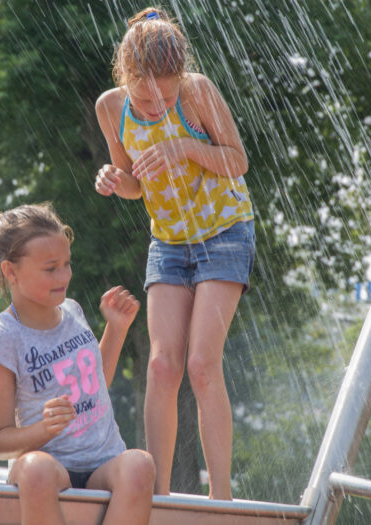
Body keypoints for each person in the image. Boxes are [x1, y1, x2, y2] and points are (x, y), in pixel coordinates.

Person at [93, 6, 256, 500]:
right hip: (168, 241)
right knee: (162, 366)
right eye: (145, 98)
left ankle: (220, 498)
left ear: (180, 76)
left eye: (166, 95)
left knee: (202, 365)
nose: (157, 106)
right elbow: (135, 186)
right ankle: (156, 494)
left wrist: (183, 146)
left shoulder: (197, 91)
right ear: (126, 78)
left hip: (225, 232)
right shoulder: (110, 107)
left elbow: (238, 161)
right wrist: (113, 180)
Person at [0, 203, 155, 525]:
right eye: (50, 268)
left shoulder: (72, 310)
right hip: (48, 469)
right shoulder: (2, 337)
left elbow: (96, 385)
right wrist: (42, 430)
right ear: (10, 271)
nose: (64, 276)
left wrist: (116, 329)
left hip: (104, 462)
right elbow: (0, 442)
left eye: (66, 264)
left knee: (140, 464)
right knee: (36, 469)